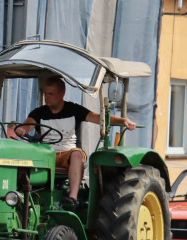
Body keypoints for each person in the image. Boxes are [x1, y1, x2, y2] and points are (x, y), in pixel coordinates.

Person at [8, 75, 135, 209]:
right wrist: (23, 129)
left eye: (50, 94)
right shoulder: (39, 112)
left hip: (68, 154)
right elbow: (29, 123)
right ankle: (19, 194)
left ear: (62, 93)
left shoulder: (73, 110)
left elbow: (96, 118)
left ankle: (72, 198)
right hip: (46, 153)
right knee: (23, 147)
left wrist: (122, 121)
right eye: (45, 93)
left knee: (76, 155)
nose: (47, 97)